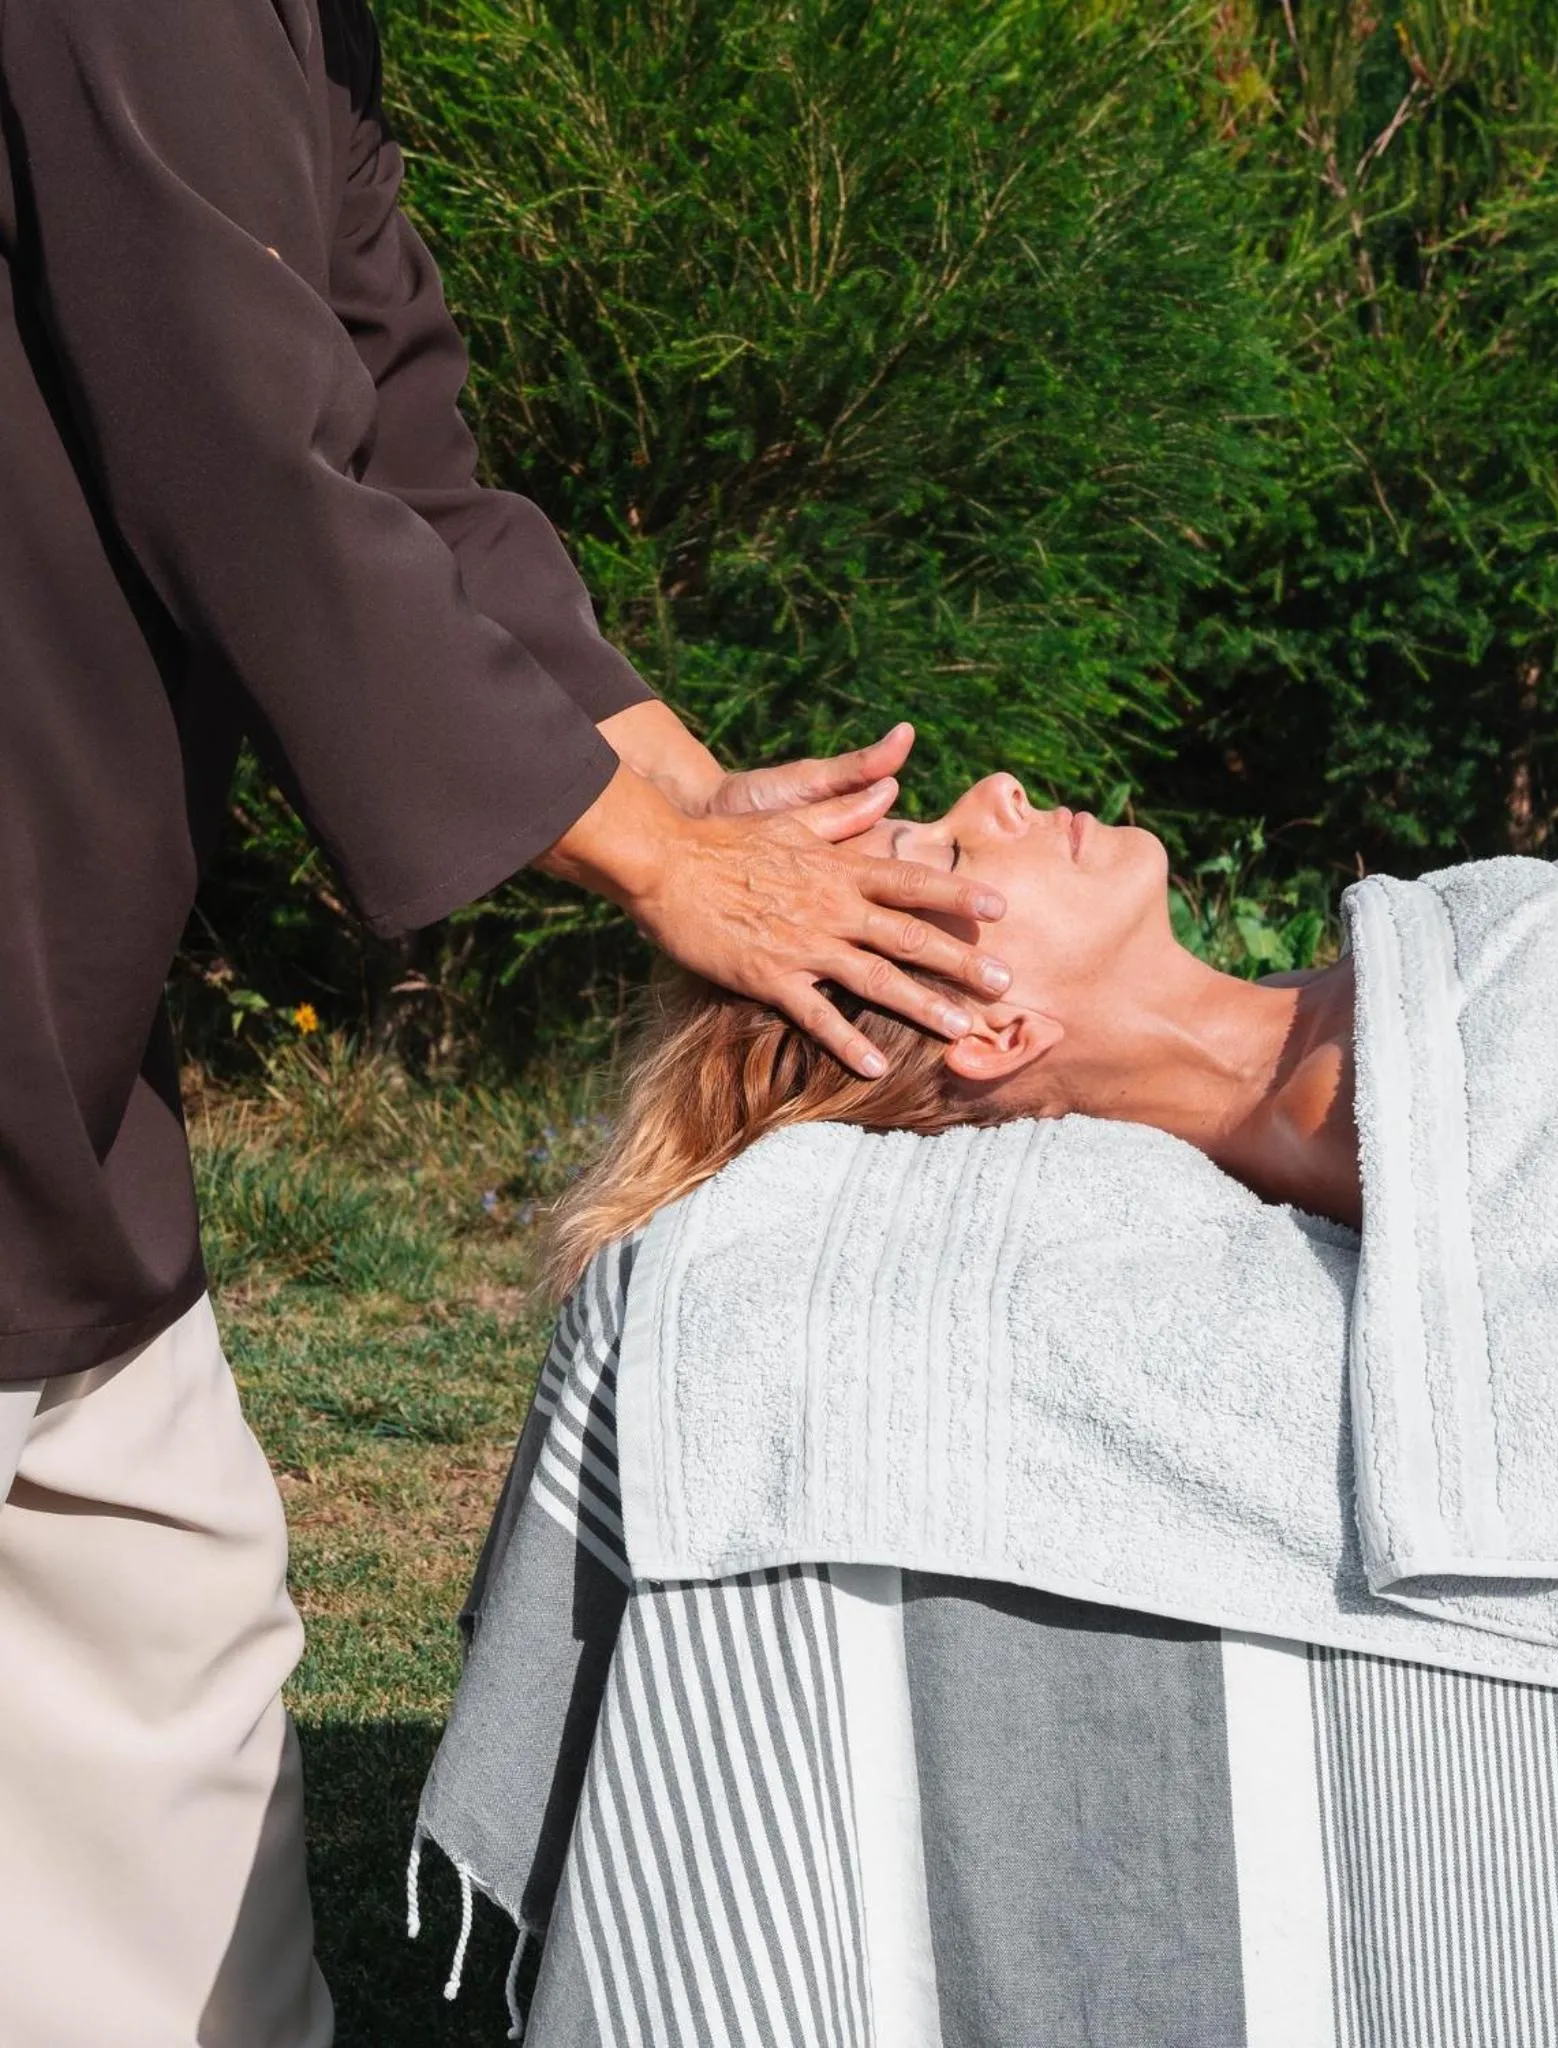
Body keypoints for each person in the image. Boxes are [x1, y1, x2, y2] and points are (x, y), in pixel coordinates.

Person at [0, 2, 1015, 2042]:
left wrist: (696, 798)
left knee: (157, 1610)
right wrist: (658, 864)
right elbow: (249, 469)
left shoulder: (307, 38)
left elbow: (405, 455)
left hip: (57, 1078)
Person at [546, 770, 1362, 1300]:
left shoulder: (1307, 1021)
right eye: (945, 852)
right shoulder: (1342, 1107)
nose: (997, 788)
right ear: (994, 1032)